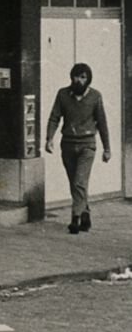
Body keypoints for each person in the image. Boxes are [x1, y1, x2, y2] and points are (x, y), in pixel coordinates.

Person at [45, 62, 112, 234]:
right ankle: (85, 213)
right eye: (77, 76)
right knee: (74, 182)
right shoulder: (62, 94)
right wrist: (49, 138)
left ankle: (75, 219)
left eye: (83, 77)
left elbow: (102, 123)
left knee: (79, 182)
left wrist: (107, 148)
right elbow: (54, 117)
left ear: (88, 79)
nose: (79, 81)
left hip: (87, 145)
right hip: (68, 144)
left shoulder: (95, 97)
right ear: (71, 77)